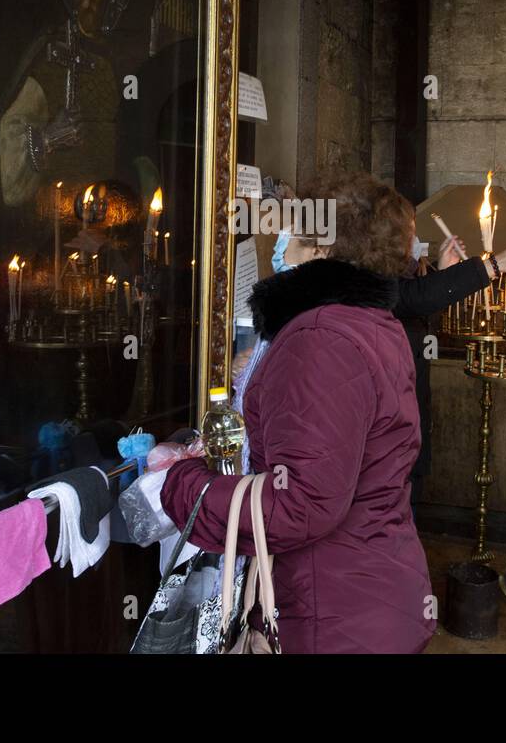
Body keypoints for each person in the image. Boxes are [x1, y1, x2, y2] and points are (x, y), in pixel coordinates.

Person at [160, 170, 434, 653]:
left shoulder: (321, 337)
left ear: (323, 249)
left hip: (332, 610)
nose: (281, 240)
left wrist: (185, 486)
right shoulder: (362, 321)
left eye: (294, 230)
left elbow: (301, 502)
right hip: (367, 591)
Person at [396, 234, 506, 508]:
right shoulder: (373, 281)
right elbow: (410, 299)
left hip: (410, 421)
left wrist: (447, 273)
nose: (414, 239)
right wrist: (494, 265)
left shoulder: (405, 279)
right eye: (409, 231)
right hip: (391, 430)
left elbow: (421, 307)